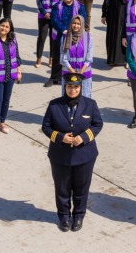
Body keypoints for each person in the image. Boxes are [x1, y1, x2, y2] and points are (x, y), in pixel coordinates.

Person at [41, 72, 104, 232]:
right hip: (60, 155)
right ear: (65, 87)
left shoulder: (90, 104)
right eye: (69, 86)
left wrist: (83, 137)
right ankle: (63, 217)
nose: (73, 90)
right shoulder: (54, 105)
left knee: (81, 188)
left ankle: (78, 216)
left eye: (76, 87)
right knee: (62, 188)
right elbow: (46, 126)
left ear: (80, 88)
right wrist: (60, 137)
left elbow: (97, 124)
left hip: (84, 156)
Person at [48, 0, 83, 87]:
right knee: (57, 57)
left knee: (71, 57)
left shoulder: (79, 6)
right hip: (59, 35)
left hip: (75, 37)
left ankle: (69, 78)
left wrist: (72, 30)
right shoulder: (57, 6)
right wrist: (64, 30)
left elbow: (82, 19)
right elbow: (54, 20)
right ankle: (54, 78)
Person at [100, 0, 131, 68]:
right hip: (112, 17)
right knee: (112, 38)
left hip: (124, 19)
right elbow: (106, 2)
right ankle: (112, 59)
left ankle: (126, 60)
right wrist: (104, 15)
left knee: (123, 39)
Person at [60, 14, 94, 98]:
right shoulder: (65, 37)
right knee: (68, 98)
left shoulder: (88, 37)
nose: (76, 26)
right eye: (74, 23)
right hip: (68, 73)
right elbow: (63, 57)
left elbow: (89, 58)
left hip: (84, 74)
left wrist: (80, 73)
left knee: (85, 98)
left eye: (78, 24)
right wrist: (72, 71)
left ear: (82, 24)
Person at [35, 0, 62, 68]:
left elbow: (60, 2)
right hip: (43, 16)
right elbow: (38, 1)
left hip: (55, 17)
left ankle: (51, 58)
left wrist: (54, 14)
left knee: (53, 38)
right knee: (42, 37)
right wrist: (44, 12)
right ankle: (39, 58)